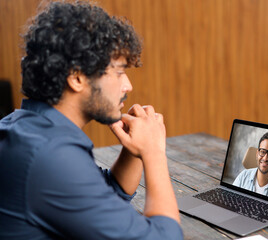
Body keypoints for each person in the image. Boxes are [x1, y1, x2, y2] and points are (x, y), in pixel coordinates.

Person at [0, 1, 182, 239]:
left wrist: (135, 150)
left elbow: (107, 194)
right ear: (76, 78)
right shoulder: (50, 155)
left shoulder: (26, 128)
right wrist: (154, 152)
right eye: (118, 72)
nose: (128, 85)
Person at [233, 132, 268, 203]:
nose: (265, 158)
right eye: (263, 152)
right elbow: (230, 202)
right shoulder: (243, 176)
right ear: (257, 153)